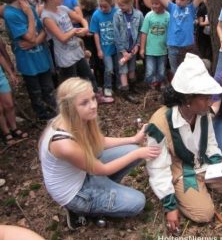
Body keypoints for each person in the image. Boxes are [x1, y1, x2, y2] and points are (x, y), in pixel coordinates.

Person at [39, 77, 161, 230]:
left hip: (84, 172)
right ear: (69, 107)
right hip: (77, 193)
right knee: (138, 202)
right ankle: (81, 211)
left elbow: (99, 142)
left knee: (133, 148)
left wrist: (133, 139)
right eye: (84, 103)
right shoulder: (64, 144)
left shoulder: (74, 119)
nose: (93, 105)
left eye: (93, 98)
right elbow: (101, 170)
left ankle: (107, 190)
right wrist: (139, 154)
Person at [146, 53, 222, 233]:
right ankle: (188, 189)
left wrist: (217, 162)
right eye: (205, 98)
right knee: (204, 214)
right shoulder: (159, 124)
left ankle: (201, 183)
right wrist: (170, 205)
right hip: (181, 170)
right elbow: (157, 168)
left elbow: (211, 141)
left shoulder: (203, 113)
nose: (210, 102)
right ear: (187, 99)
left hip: (202, 164)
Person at [41, 0, 113, 103]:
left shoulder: (63, 9)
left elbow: (81, 19)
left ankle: (96, 96)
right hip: (65, 57)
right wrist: (75, 31)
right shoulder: (47, 17)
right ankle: (74, 107)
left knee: (89, 75)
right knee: (73, 84)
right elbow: (62, 38)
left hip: (77, 51)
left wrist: (85, 28)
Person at [2, 0, 57, 120]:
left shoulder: (30, 7)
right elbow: (30, 36)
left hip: (41, 57)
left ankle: (54, 115)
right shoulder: (10, 14)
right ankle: (43, 117)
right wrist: (30, 16)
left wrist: (34, 43)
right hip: (28, 62)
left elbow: (43, 31)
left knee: (48, 89)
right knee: (36, 92)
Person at [156, 0, 203, 75]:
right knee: (175, 70)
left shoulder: (191, 8)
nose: (179, 2)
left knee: (187, 70)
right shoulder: (172, 7)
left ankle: (186, 87)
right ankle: (176, 87)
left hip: (187, 46)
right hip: (172, 45)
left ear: (188, 0)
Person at [113, 0, 144, 104]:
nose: (120, 7)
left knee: (132, 68)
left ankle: (132, 87)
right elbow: (116, 34)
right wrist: (122, 50)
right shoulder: (117, 15)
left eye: (122, 5)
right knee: (123, 70)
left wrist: (138, 45)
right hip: (122, 49)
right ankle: (126, 92)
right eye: (119, 5)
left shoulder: (139, 15)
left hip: (133, 48)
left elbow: (141, 30)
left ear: (130, 2)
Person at [90, 0, 118, 100]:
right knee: (109, 68)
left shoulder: (116, 12)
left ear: (111, 3)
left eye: (105, 7)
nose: (102, 9)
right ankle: (107, 86)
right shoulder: (96, 15)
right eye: (100, 6)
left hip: (116, 47)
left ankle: (118, 85)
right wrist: (99, 50)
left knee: (118, 67)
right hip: (105, 48)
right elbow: (96, 33)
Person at [140, 0, 170, 90]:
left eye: (156, 3)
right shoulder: (148, 16)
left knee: (161, 70)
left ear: (163, 2)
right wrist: (142, 49)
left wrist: (169, 46)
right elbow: (144, 33)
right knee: (150, 70)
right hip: (150, 50)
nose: (154, 6)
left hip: (162, 50)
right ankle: (150, 86)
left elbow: (170, 32)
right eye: (152, 3)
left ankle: (160, 83)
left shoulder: (168, 16)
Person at [0, 52, 28, 145]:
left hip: (1, 78)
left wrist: (10, 73)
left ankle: (14, 128)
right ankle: (6, 132)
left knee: (9, 105)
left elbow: (1, 57)